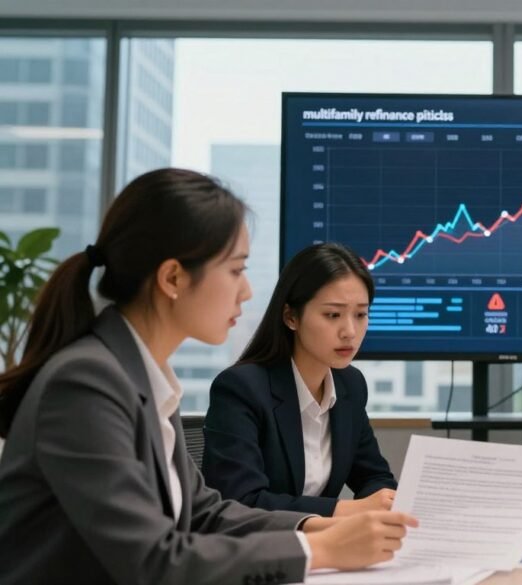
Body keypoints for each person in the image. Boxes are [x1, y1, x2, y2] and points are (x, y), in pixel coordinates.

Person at [0, 169, 416, 585]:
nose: (248, 291)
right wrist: (320, 550)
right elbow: (152, 559)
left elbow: (205, 512)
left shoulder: (143, 377)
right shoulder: (86, 384)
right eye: (236, 270)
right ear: (173, 278)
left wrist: (320, 528)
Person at [202, 243, 397, 517]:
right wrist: (345, 510)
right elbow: (240, 501)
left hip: (329, 551)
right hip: (262, 551)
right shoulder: (241, 388)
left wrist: (381, 503)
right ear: (291, 317)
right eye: (333, 315)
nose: (350, 332)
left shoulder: (350, 385)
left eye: (361, 314)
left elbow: (375, 478)